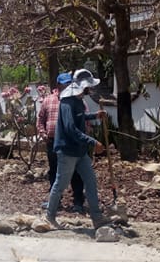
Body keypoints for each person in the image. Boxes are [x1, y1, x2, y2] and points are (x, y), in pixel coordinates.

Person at [45, 69, 111, 231]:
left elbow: (80, 117)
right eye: (89, 86)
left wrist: (95, 115)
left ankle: (97, 218)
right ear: (83, 86)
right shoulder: (68, 102)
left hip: (80, 151)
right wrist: (93, 142)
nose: (91, 89)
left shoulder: (78, 100)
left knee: (90, 181)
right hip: (67, 151)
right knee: (61, 184)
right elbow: (70, 129)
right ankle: (49, 216)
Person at [36, 72, 85, 213]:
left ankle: (78, 202)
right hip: (52, 142)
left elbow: (83, 119)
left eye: (69, 83)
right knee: (54, 172)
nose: (67, 86)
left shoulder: (76, 99)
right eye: (64, 84)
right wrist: (43, 133)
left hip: (71, 143)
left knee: (76, 172)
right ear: (58, 85)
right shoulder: (48, 100)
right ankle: (54, 202)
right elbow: (40, 119)